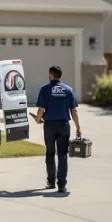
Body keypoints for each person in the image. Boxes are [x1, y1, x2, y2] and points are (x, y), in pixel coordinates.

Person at [35, 65, 82, 193]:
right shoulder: (68, 90)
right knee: (62, 155)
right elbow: (74, 110)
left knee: (50, 153)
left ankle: (51, 182)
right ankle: (62, 185)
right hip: (64, 126)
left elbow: (41, 109)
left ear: (51, 75)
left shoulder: (45, 89)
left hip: (50, 126)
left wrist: (38, 119)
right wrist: (78, 128)